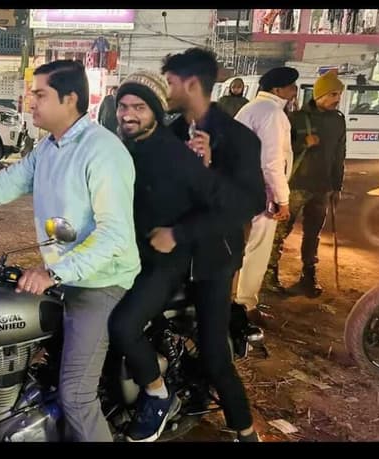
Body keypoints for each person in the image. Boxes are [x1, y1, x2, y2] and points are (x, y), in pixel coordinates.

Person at [0, 60, 140, 442]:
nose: (29, 102)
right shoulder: (48, 148)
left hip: (100, 282)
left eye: (40, 94)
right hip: (67, 274)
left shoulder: (102, 151)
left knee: (76, 396)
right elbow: (1, 185)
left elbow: (114, 234)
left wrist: (53, 273)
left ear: (70, 99)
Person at [108, 70, 260, 442]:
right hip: (139, 255)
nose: (128, 114)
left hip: (201, 260)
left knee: (212, 354)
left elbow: (236, 203)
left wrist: (178, 231)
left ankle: (243, 430)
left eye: (138, 106)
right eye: (123, 106)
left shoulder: (199, 145)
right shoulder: (125, 146)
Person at [162, 47, 266, 442]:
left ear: (191, 84)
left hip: (213, 259)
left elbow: (250, 202)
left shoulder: (239, 138)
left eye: (170, 82)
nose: (166, 91)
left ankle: (244, 429)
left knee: (213, 350)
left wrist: (208, 173)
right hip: (167, 255)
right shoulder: (168, 134)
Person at [266, 70, 346, 298]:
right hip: (296, 185)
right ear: (320, 95)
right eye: (333, 94)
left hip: (322, 187)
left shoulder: (338, 121)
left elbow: (339, 155)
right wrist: (302, 143)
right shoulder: (296, 118)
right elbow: (279, 150)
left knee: (313, 234)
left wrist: (337, 187)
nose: (337, 99)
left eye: (338, 94)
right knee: (280, 232)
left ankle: (308, 275)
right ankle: (269, 275)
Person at [233, 67, 299, 321]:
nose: (294, 91)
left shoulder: (251, 108)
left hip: (240, 187)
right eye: (291, 87)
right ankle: (245, 305)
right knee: (257, 250)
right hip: (260, 190)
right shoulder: (272, 113)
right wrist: (283, 199)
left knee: (239, 248)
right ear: (277, 89)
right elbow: (271, 162)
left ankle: (234, 302)